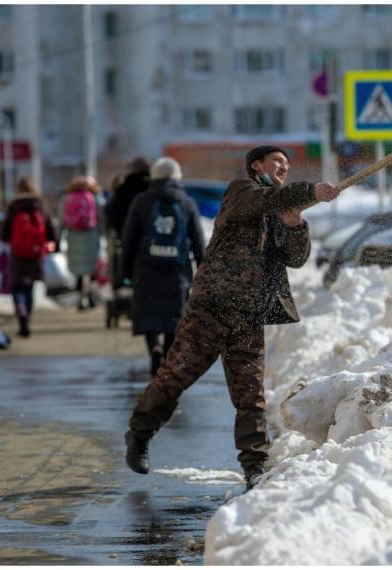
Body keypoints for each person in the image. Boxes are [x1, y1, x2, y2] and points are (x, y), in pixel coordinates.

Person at [124, 145, 339, 490]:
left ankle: (254, 464)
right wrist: (310, 191)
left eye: (287, 165)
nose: (283, 169)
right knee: (176, 376)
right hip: (213, 308)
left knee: (250, 394)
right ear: (257, 166)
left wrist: (296, 224)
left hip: (250, 315)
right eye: (277, 163)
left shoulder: (278, 208)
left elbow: (296, 259)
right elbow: (263, 200)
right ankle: (139, 433)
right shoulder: (242, 191)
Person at [122, 157, 205, 376]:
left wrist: (125, 271)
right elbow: (197, 239)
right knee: (174, 314)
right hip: (177, 269)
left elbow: (129, 238)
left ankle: (154, 348)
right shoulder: (186, 202)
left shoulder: (141, 201)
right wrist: (202, 268)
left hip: (146, 267)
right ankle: (167, 354)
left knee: (147, 312)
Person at [0, 177, 57, 338]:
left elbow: (3, 233)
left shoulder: (14, 207)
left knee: (17, 288)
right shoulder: (40, 206)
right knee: (29, 288)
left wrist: (11, 241)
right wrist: (50, 246)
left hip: (17, 255)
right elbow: (51, 231)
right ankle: (27, 318)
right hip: (36, 255)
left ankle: (21, 313)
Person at [58, 175, 105, 311]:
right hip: (91, 236)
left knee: (77, 268)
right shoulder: (95, 197)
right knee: (90, 268)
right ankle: (88, 295)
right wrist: (102, 235)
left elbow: (61, 219)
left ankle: (80, 297)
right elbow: (101, 218)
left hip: (73, 236)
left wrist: (59, 237)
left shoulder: (66, 198)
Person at [105, 157, 151, 240]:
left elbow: (112, 212)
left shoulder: (123, 189)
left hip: (126, 234)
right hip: (151, 237)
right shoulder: (155, 187)